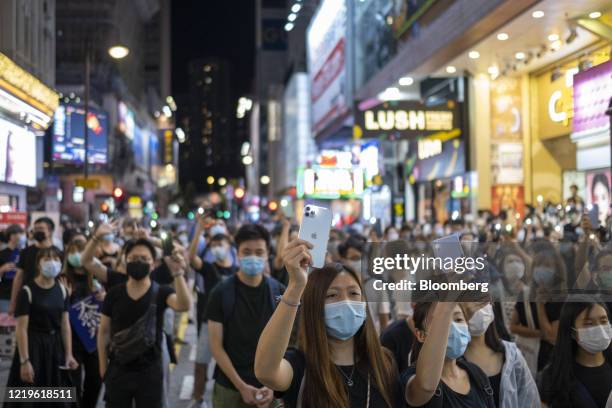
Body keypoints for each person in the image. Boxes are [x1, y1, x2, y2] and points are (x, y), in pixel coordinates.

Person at [255, 239, 404, 407]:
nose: (346, 302)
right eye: (332, 295)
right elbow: (265, 371)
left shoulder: (384, 362)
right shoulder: (300, 365)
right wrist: (295, 287)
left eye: (354, 293)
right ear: (315, 307)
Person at [97, 238, 191, 408]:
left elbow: (184, 305)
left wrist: (177, 274)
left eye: (144, 258)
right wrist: (103, 368)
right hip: (118, 369)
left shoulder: (162, 292)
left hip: (150, 371)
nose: (138, 262)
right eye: (133, 258)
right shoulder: (114, 294)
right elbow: (103, 331)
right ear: (125, 261)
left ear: (153, 264)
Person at [205, 224, 283, 407]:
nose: (253, 257)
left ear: (267, 255)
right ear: (237, 253)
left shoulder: (279, 292)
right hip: (230, 387)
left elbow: (288, 344)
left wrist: (272, 386)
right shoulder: (221, 292)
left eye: (259, 252)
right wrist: (241, 386)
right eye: (246, 251)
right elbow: (216, 346)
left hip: (270, 388)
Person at [5, 247, 79, 408]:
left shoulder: (62, 290)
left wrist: (69, 354)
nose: (52, 262)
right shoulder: (27, 291)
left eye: (56, 259)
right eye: (46, 259)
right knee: (28, 398)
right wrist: (25, 361)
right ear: (38, 264)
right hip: (32, 347)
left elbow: (65, 324)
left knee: (56, 397)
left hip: (55, 347)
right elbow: (21, 329)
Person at [403, 301, 496, 407]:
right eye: (441, 322)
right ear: (421, 335)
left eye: (458, 319)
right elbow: (425, 386)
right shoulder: (413, 379)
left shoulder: (477, 375)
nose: (452, 328)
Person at [188, 228, 237, 406]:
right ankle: (198, 397)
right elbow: (191, 258)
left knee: (232, 362)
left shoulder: (239, 270)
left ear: (229, 246)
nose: (217, 248)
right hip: (209, 323)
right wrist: (199, 230)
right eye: (213, 245)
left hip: (233, 325)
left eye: (220, 244)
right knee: (201, 361)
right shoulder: (209, 268)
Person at [463, 303, 539, 407]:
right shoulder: (451, 362)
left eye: (481, 300)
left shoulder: (511, 355)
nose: (476, 309)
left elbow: (530, 400)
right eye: (469, 301)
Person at [540, 298, 612, 407]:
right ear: (572, 332)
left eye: (603, 321)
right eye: (588, 323)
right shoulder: (554, 376)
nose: (599, 328)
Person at [62, 237, 105, 408]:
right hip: (71, 340)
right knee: (73, 385)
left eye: (81, 251)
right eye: (73, 252)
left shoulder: (95, 278)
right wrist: (64, 295)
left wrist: (104, 296)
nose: (77, 256)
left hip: (92, 339)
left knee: (95, 380)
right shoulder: (63, 278)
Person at [10, 216, 62, 314]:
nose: (37, 231)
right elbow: (18, 277)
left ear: (50, 231)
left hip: (51, 297)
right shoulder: (26, 252)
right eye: (35, 229)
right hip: (28, 297)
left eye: (41, 229)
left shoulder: (57, 253)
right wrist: (13, 302)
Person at [0, 224, 25, 313]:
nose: (18, 236)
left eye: (20, 234)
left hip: (21, 294)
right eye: (15, 234)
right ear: (10, 236)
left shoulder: (24, 253)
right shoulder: (2, 253)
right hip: (5, 294)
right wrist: (2, 270)